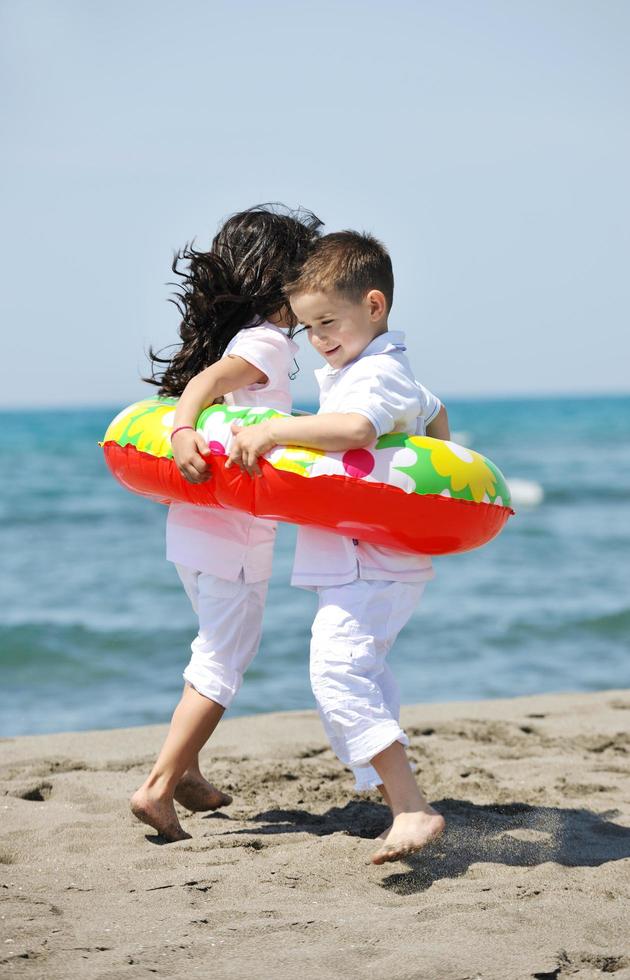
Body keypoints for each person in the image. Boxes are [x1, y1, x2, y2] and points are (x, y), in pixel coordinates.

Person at [227, 231, 449, 864]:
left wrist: (275, 429)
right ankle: (397, 801)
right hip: (360, 556)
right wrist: (430, 463)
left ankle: (412, 808)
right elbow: (434, 410)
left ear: (373, 306)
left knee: (336, 672)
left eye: (329, 321)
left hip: (371, 558)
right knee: (358, 674)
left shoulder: (376, 374)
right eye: (307, 328)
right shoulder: (368, 368)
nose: (318, 338)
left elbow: (355, 428)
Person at [130, 204, 322, 842]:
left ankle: (186, 772)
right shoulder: (265, 341)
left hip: (193, 525)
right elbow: (209, 386)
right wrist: (184, 426)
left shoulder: (235, 337)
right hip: (234, 531)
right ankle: (158, 787)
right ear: (280, 279)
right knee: (225, 656)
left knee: (212, 641)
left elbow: (209, 381)